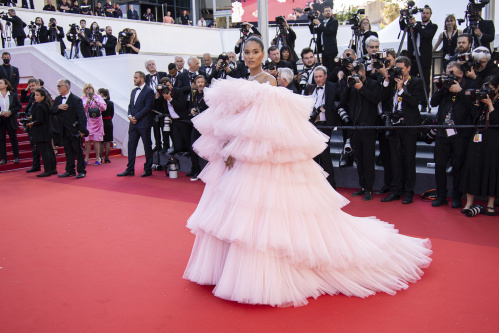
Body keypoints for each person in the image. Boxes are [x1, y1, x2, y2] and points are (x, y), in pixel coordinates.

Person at [183, 36, 432, 307]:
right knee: (235, 214)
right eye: (246, 52)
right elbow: (227, 121)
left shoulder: (269, 82)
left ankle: (259, 275)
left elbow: (264, 127)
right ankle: (228, 269)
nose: (250, 56)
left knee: (259, 215)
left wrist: (237, 149)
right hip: (235, 158)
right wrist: (226, 148)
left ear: (264, 54)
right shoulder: (237, 84)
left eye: (255, 52)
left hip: (257, 160)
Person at [430, 61, 478, 209]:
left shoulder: (470, 87)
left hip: (461, 134)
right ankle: (441, 196)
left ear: (460, 74)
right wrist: (441, 88)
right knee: (440, 166)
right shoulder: (445, 89)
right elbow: (433, 103)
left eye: (452, 74)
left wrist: (461, 92)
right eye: (447, 73)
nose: (449, 77)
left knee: (458, 167)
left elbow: (474, 109)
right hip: (443, 132)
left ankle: (457, 197)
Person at [380, 56, 425, 204]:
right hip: (394, 125)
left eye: (401, 68)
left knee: (409, 160)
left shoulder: (416, 82)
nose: (399, 71)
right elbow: (383, 97)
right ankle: (395, 191)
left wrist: (401, 90)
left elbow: (415, 102)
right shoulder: (392, 81)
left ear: (409, 68)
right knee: (395, 160)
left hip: (409, 126)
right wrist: (387, 80)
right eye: (397, 68)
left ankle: (408, 192)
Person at [339, 62, 382, 201]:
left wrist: (362, 88)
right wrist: (347, 86)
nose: (355, 75)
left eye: (358, 72)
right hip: (354, 128)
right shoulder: (351, 85)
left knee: (368, 160)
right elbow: (343, 101)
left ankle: (369, 188)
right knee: (359, 159)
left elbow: (375, 99)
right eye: (352, 72)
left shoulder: (373, 84)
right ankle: (362, 186)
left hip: (368, 128)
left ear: (364, 72)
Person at [460, 74, 499, 217]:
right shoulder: (481, 100)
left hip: (493, 141)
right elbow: (474, 118)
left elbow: (496, 119)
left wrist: (490, 104)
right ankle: (469, 202)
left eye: (490, 87)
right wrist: (477, 104)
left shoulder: (496, 102)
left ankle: (490, 204)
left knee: (491, 168)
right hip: (477, 139)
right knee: (472, 166)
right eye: (485, 86)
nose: (487, 90)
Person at [303, 66, 338, 189]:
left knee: (325, 156)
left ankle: (331, 186)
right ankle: (317, 186)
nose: (318, 79)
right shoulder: (310, 88)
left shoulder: (333, 86)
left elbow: (339, 102)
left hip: (326, 125)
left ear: (326, 76)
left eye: (320, 76)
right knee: (314, 156)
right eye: (316, 77)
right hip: (312, 125)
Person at [117, 71, 155, 177]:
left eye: (136, 78)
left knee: (147, 146)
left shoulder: (149, 91)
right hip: (133, 124)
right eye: (134, 77)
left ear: (142, 79)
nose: (134, 79)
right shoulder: (133, 91)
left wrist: (136, 117)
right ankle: (130, 169)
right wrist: (129, 116)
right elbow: (130, 105)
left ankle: (148, 169)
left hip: (143, 123)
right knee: (131, 146)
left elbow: (148, 107)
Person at [399, 5, 437, 106]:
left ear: (430, 14)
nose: (424, 15)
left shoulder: (432, 26)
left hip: (424, 58)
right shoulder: (415, 25)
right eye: (423, 13)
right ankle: (410, 101)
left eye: (427, 13)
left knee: (425, 81)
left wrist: (415, 25)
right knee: (410, 79)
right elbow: (403, 27)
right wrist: (402, 17)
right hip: (413, 58)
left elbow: (427, 35)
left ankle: (424, 103)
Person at [52, 79, 88, 179]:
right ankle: (70, 170)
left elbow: (82, 116)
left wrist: (82, 130)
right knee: (67, 151)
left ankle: (81, 171)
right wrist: (58, 107)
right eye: (58, 86)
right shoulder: (58, 99)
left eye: (59, 86)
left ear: (66, 87)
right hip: (63, 130)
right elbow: (52, 111)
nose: (58, 88)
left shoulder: (76, 99)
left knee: (78, 151)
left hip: (74, 130)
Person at [26, 88, 57, 177]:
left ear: (43, 96)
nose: (35, 97)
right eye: (35, 95)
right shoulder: (46, 105)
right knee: (49, 150)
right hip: (47, 130)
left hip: (41, 132)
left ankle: (47, 170)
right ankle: (53, 169)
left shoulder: (39, 106)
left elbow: (39, 120)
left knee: (45, 152)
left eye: (37, 95)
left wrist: (32, 122)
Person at [187, 75, 208, 181]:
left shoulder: (208, 94)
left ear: (205, 83)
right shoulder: (193, 94)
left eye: (202, 82)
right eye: (198, 82)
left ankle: (208, 173)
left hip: (206, 126)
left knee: (209, 149)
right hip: (195, 124)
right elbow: (190, 105)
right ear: (195, 84)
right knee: (192, 147)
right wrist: (191, 110)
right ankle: (195, 169)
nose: (200, 84)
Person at [82, 84, 106, 166]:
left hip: (97, 121)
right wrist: (87, 102)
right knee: (87, 141)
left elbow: (104, 108)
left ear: (93, 89)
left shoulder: (98, 97)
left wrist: (96, 101)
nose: (89, 90)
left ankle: (98, 158)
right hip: (88, 121)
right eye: (87, 88)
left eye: (90, 88)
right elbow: (82, 110)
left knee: (96, 140)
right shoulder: (83, 99)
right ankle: (86, 158)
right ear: (84, 90)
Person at [0, 79, 21, 165]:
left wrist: (10, 112)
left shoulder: (13, 95)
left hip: (10, 119)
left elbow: (19, 106)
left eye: (1, 83)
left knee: (13, 138)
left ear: (6, 85)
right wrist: (1, 112)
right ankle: (3, 158)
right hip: (1, 119)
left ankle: (16, 157)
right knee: (1, 140)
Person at [313, 5, 338, 72]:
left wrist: (319, 24)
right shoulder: (322, 22)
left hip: (331, 50)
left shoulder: (334, 21)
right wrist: (312, 21)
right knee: (325, 68)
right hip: (323, 49)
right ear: (323, 13)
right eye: (326, 11)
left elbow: (328, 31)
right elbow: (314, 31)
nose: (328, 12)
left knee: (332, 68)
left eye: (329, 11)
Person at [98, 88, 114, 163]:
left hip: (101, 122)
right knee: (108, 141)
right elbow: (112, 114)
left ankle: (100, 157)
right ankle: (107, 158)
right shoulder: (110, 103)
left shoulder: (99, 102)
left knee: (101, 141)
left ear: (101, 94)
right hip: (108, 122)